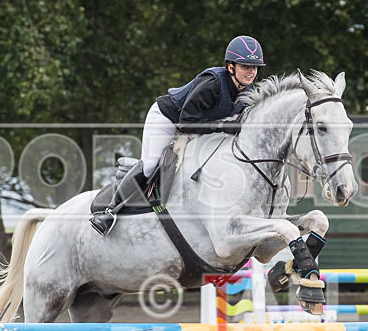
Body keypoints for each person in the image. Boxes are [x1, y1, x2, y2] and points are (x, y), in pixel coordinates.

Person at [90, 35, 266, 236]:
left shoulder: (248, 92)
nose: (251, 72)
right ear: (230, 66)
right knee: (150, 164)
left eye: (254, 67)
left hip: (198, 127)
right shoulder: (212, 83)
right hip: (168, 119)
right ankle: (109, 212)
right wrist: (223, 126)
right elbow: (187, 122)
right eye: (245, 66)